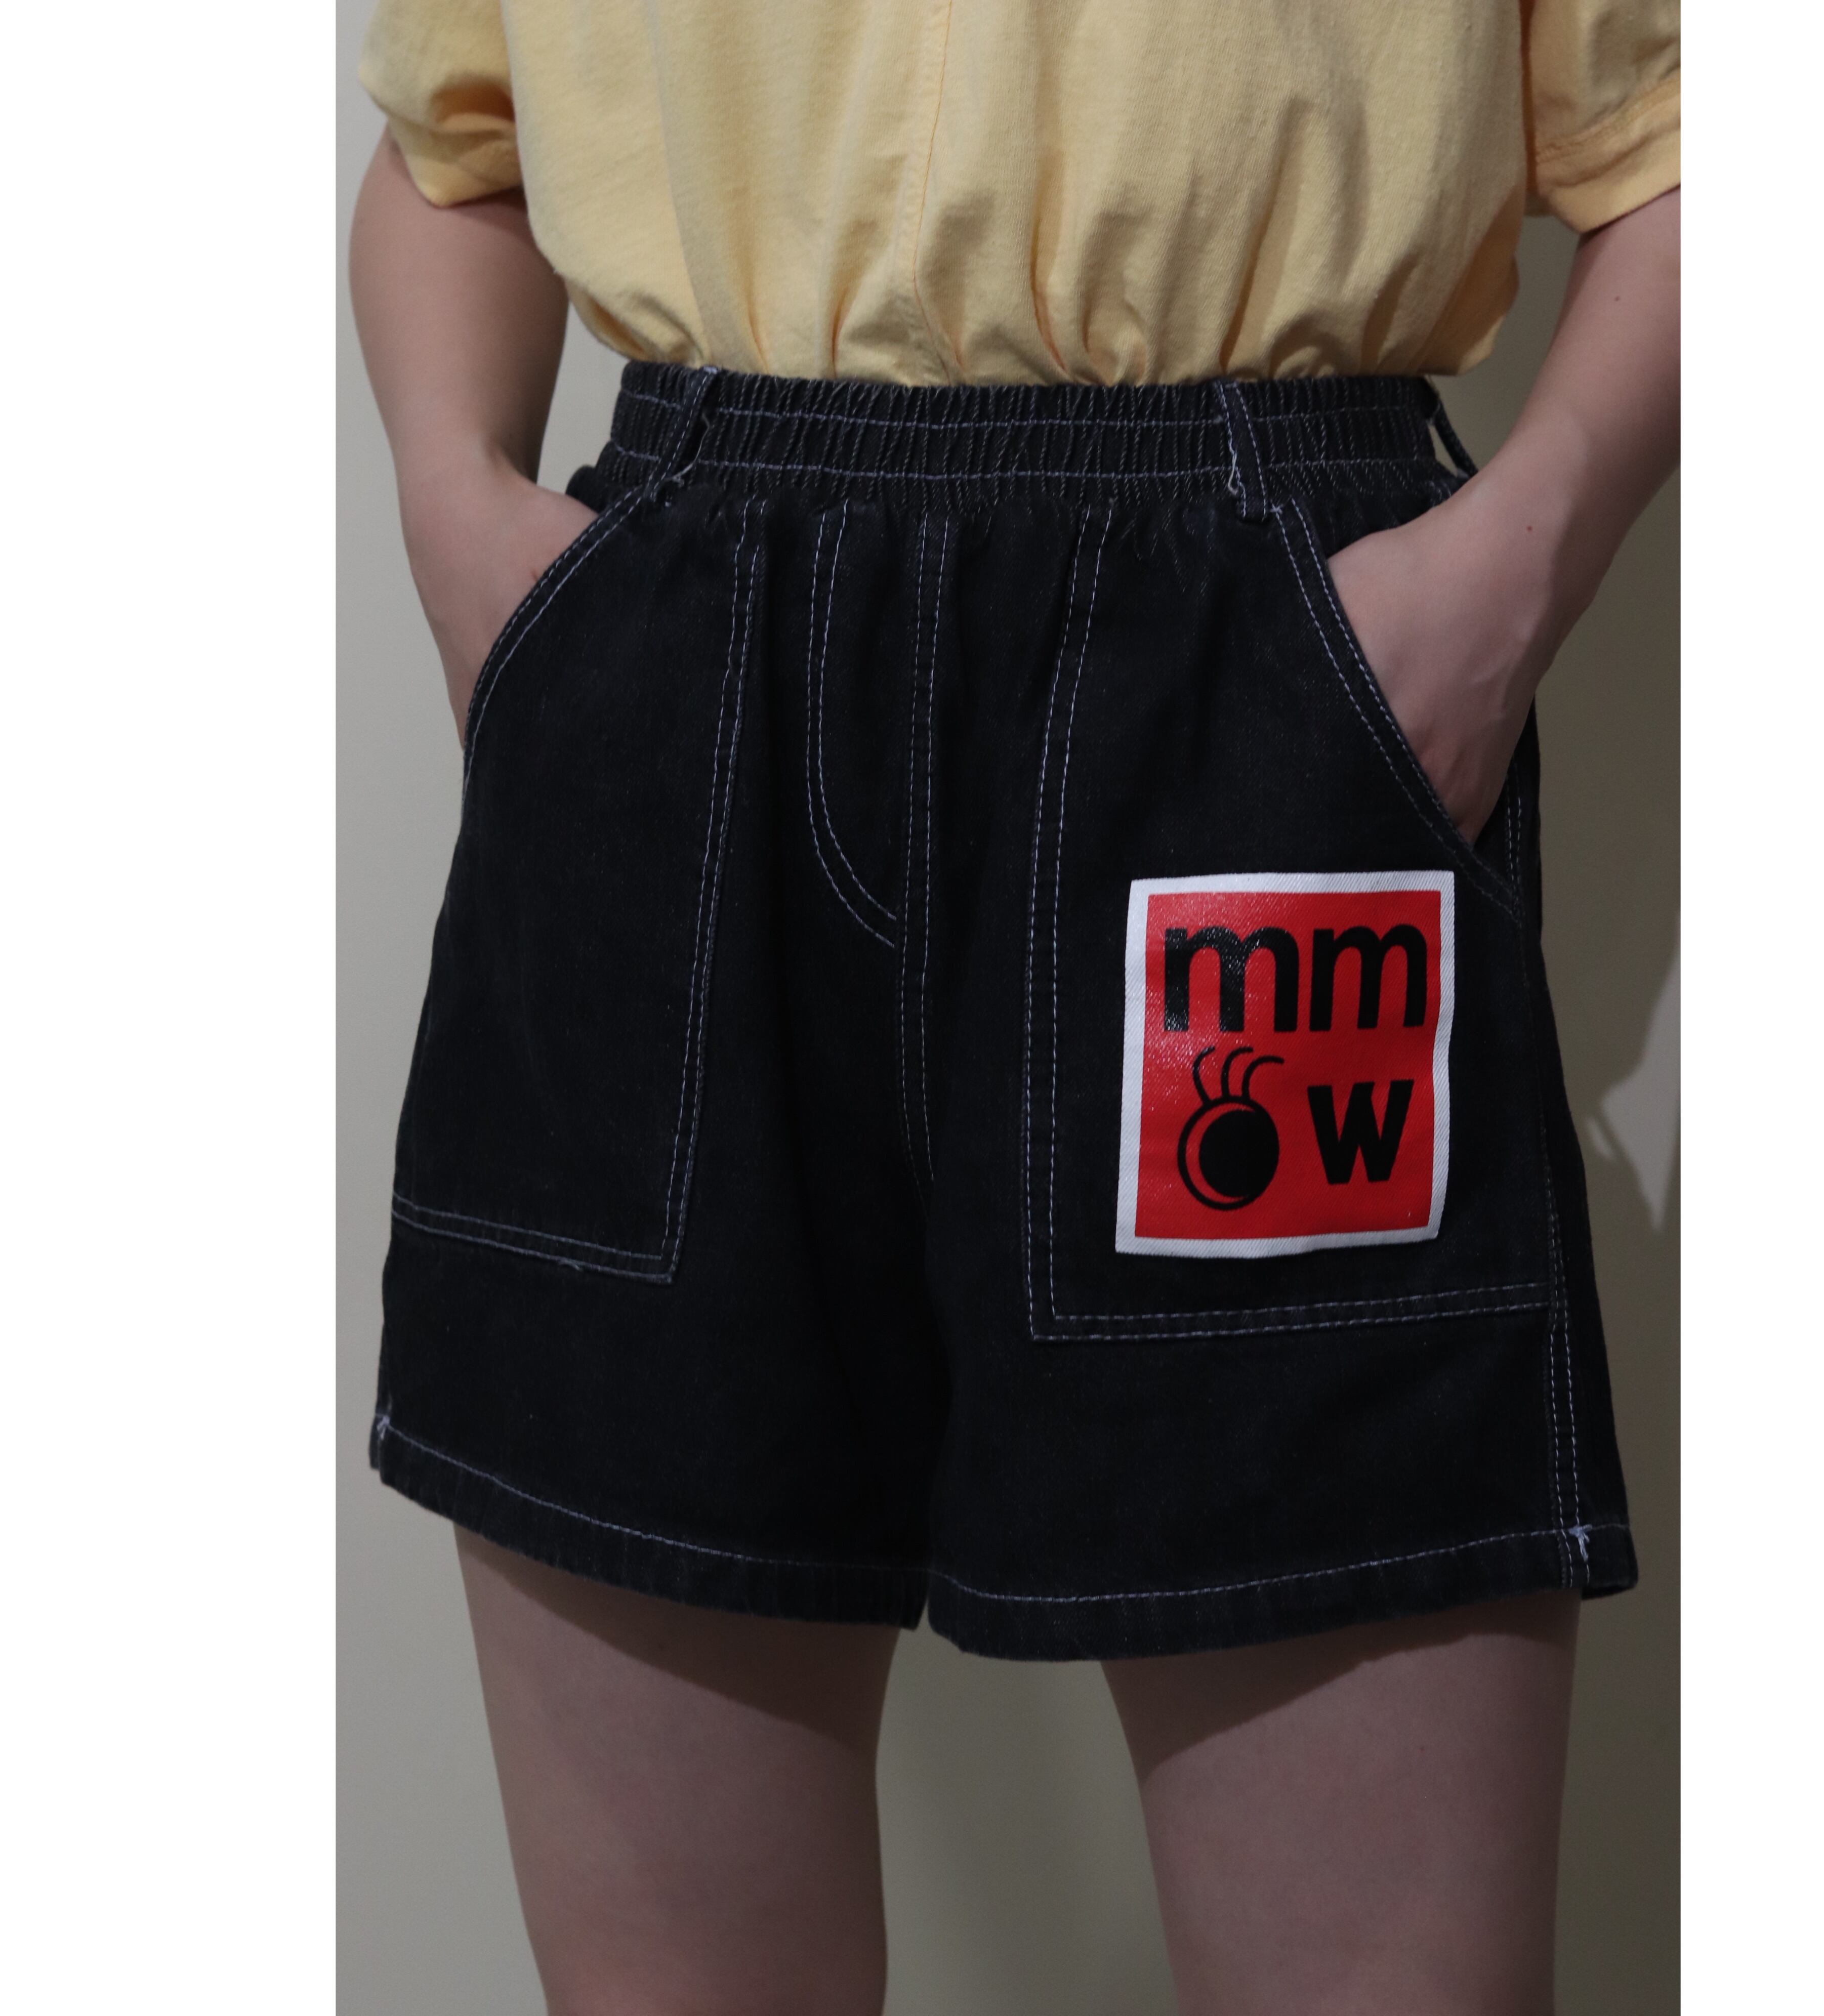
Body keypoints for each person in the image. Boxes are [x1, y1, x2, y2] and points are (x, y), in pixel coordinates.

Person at [350, 0, 1678, 2006]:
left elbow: (1687, 144)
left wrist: (1512, 571)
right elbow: (460, 152)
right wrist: (464, 520)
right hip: (679, 705)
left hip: (1252, 714)